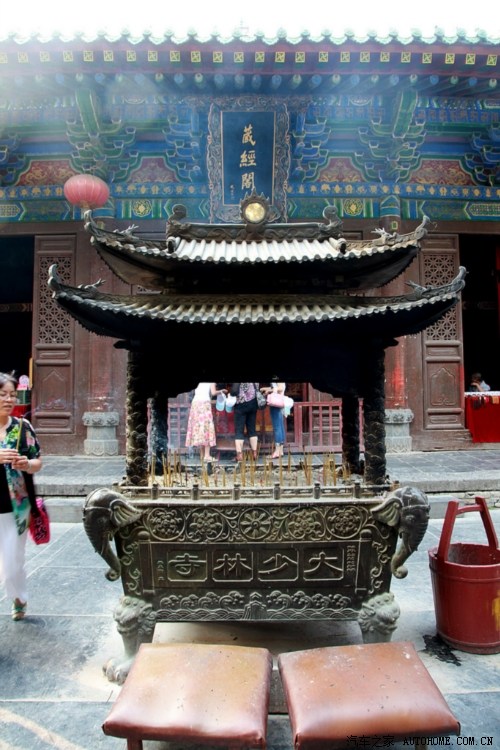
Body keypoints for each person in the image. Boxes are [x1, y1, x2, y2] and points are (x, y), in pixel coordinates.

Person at [0, 372, 42, 621]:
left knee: (13, 562)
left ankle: (19, 596)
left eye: (12, 395)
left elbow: (38, 462)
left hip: (16, 506)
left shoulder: (22, 427)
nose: (8, 399)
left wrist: (27, 464)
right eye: (3, 394)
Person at [185, 382, 226, 462]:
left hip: (195, 403)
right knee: (207, 428)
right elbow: (213, 392)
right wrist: (222, 391)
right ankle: (207, 456)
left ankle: (202, 455)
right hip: (204, 403)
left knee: (200, 427)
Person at [231, 383, 260, 461]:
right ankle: (254, 453)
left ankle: (239, 455)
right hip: (253, 404)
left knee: (239, 431)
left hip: (241, 404)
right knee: (252, 430)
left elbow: (234, 391)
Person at [261, 379, 286, 459]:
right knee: (280, 426)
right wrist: (266, 388)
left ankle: (277, 451)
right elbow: (277, 387)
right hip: (279, 402)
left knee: (277, 427)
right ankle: (280, 451)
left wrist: (268, 390)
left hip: (276, 402)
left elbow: (280, 388)